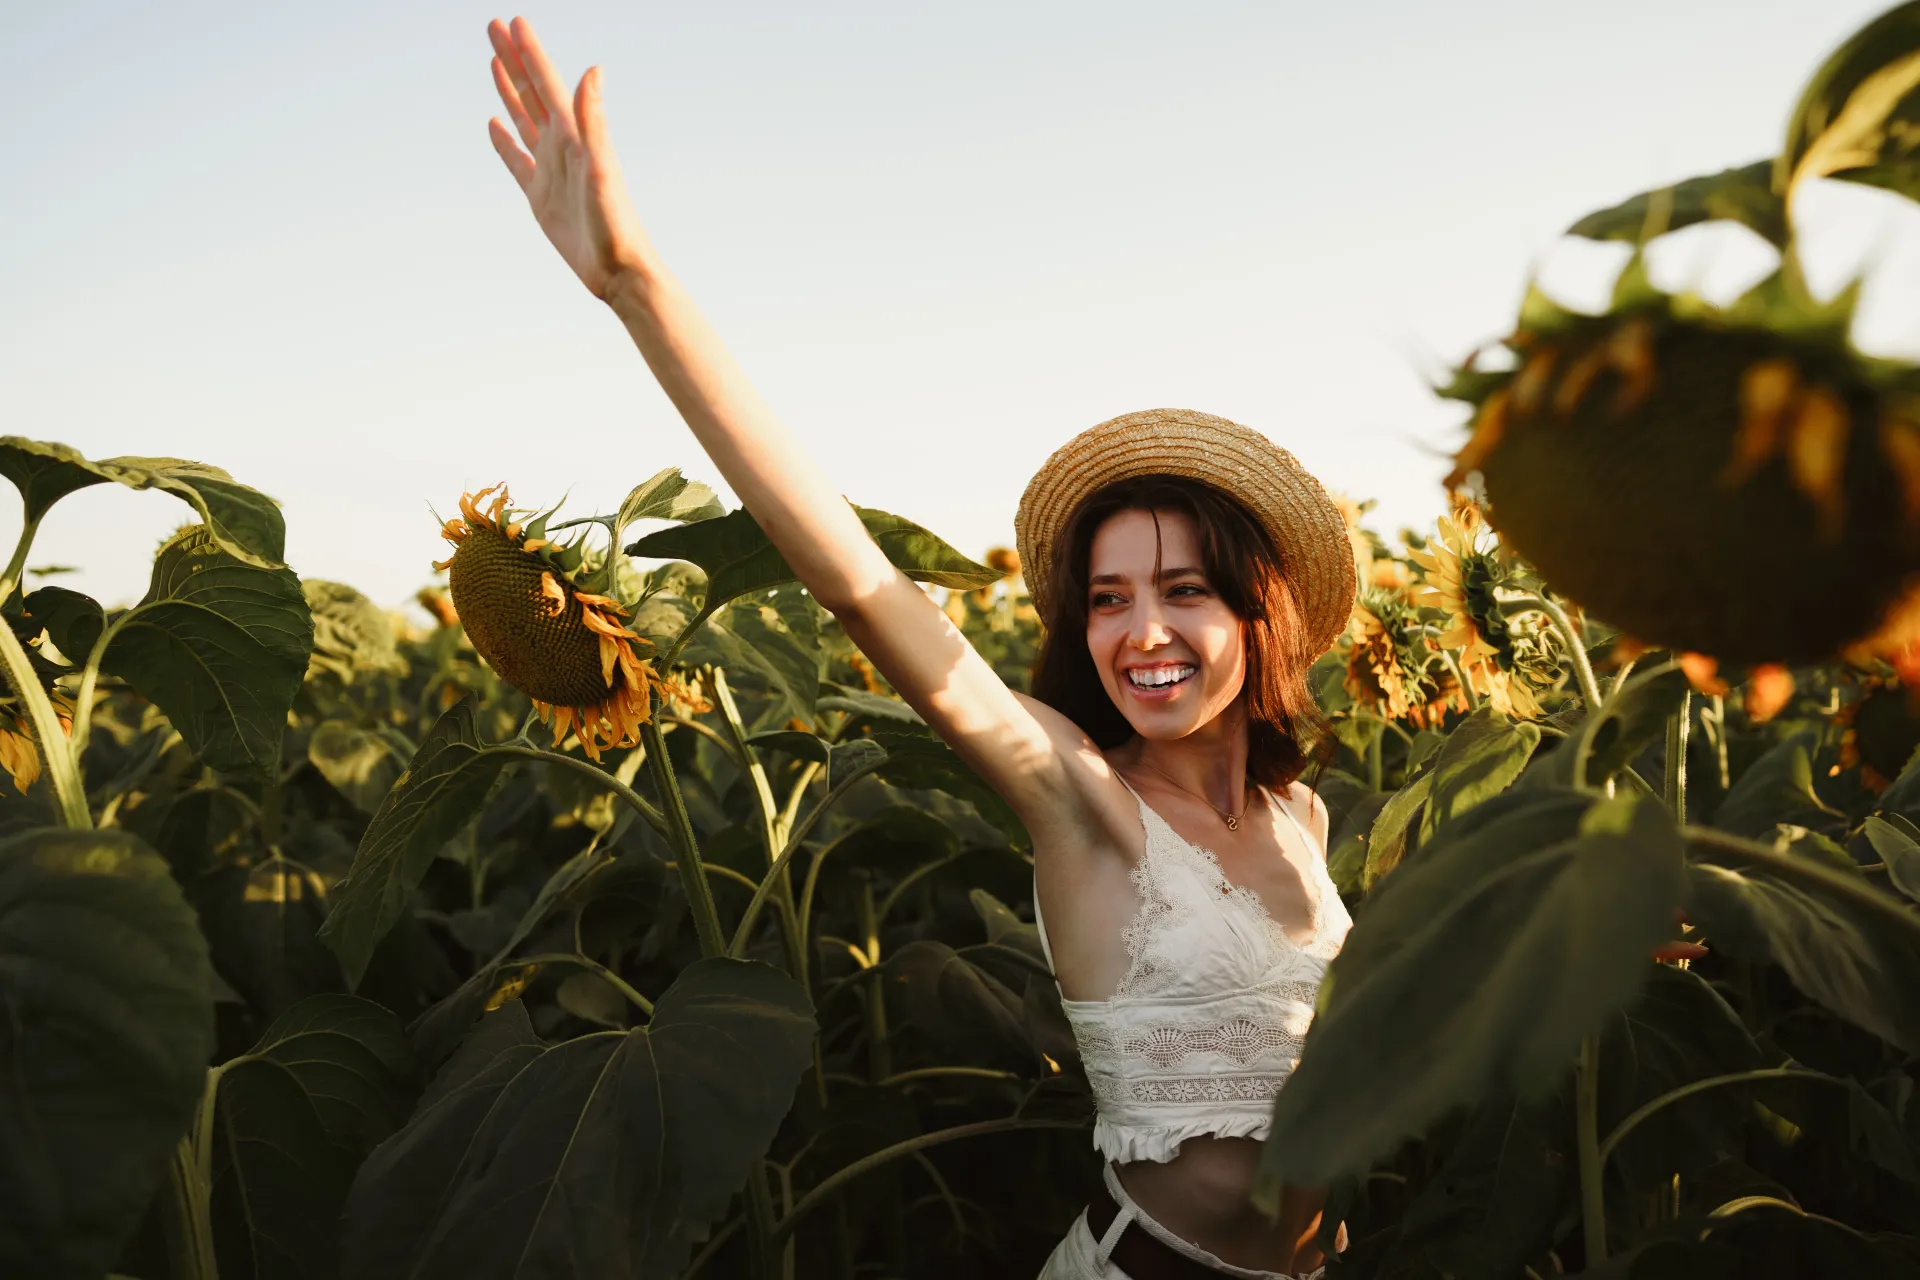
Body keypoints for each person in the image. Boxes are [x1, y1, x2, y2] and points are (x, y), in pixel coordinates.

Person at [482, 17, 1358, 1278]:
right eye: (1105, 599)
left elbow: (1352, 1045)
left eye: (1182, 591)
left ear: (1259, 612)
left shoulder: (1303, 819)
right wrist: (638, 286)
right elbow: (857, 581)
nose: (1141, 632)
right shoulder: (1086, 801)